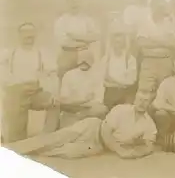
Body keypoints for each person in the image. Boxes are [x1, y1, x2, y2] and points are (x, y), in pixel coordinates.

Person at [8, 91, 157, 160]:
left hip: (99, 146)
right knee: (56, 138)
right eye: (140, 99)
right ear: (135, 99)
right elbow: (106, 131)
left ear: (149, 103)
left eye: (146, 101)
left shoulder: (148, 123)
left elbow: (149, 145)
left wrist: (137, 152)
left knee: (68, 153)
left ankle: (27, 153)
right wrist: (121, 151)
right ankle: (11, 150)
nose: (142, 103)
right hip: (93, 127)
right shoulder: (122, 110)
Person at [1, 22, 59, 143]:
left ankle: (47, 138)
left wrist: (53, 92)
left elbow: (52, 74)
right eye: (25, 32)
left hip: (35, 93)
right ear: (19, 35)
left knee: (55, 103)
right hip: (16, 94)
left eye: (31, 33)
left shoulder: (41, 53)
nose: (28, 36)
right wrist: (14, 88)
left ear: (35, 35)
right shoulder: (9, 53)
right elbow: (3, 76)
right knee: (16, 139)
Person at [136, 0, 175, 99]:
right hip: (149, 62)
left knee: (164, 93)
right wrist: (164, 42)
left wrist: (152, 40)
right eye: (158, 7)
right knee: (144, 93)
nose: (160, 10)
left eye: (162, 7)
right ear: (152, 8)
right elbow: (141, 43)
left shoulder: (169, 23)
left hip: (165, 62)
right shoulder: (145, 22)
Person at [53, 0, 100, 79]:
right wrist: (85, 40)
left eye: (77, 2)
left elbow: (95, 37)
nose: (75, 4)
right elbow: (64, 42)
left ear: (81, 4)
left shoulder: (87, 19)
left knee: (85, 81)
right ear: (67, 3)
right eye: (72, 1)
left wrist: (74, 36)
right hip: (67, 54)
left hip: (84, 54)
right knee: (64, 81)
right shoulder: (61, 21)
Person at [59, 50, 108, 128]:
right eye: (82, 61)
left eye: (87, 61)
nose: (84, 63)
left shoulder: (97, 76)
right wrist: (83, 100)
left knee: (101, 109)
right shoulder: (69, 75)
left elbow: (98, 99)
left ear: (92, 62)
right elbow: (64, 99)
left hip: (89, 109)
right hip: (72, 108)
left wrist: (84, 105)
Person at [102, 23, 138, 109]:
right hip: (109, 93)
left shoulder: (130, 59)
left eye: (120, 41)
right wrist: (119, 82)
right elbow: (102, 79)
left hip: (125, 93)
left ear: (124, 42)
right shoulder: (106, 59)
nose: (117, 44)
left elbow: (131, 80)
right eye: (115, 41)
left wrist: (112, 80)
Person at [123, 0, 150, 65]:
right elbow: (128, 31)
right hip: (134, 45)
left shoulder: (151, 10)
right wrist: (128, 49)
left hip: (149, 45)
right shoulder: (130, 10)